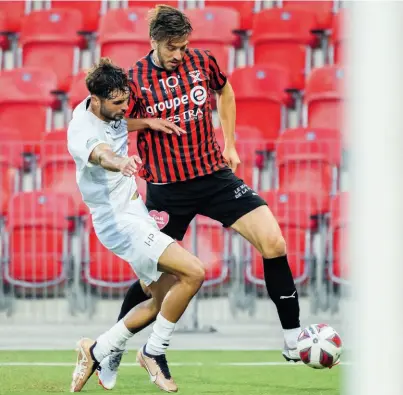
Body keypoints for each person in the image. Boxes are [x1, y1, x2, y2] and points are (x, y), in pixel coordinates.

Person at [97, 4, 302, 390]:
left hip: (215, 177)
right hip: (168, 190)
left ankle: (293, 338)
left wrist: (230, 142)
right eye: (172, 47)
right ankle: (113, 346)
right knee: (152, 281)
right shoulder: (135, 78)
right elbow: (112, 117)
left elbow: (225, 92)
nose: (179, 54)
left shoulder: (203, 61)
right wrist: (148, 122)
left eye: (183, 45)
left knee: (274, 242)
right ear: (155, 40)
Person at [67, 58, 207, 393]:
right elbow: (102, 153)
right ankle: (153, 352)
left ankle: (99, 349)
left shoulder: (107, 108)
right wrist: (122, 163)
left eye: (125, 99)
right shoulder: (81, 130)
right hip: (117, 221)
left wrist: (147, 122)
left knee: (162, 298)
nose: (124, 106)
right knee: (195, 273)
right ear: (97, 100)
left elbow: (119, 125)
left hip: (135, 212)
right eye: (118, 103)